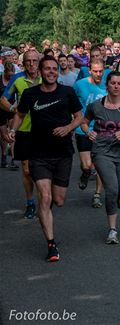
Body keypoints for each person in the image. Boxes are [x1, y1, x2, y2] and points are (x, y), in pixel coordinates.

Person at [7, 55, 83, 262]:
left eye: (54, 69)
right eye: (47, 69)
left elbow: (79, 116)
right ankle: (51, 244)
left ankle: (44, 207)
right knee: (46, 197)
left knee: (58, 201)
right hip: (38, 153)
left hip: (63, 153)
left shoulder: (67, 92)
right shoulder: (30, 94)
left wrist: (68, 128)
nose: (51, 72)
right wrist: (13, 131)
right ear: (40, 72)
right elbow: (20, 115)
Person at [82, 72, 120, 244]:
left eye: (119, 84)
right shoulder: (96, 106)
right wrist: (89, 132)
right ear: (107, 85)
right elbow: (84, 121)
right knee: (111, 188)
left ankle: (119, 199)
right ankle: (112, 230)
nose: (116, 86)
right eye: (113, 83)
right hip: (102, 152)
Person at [0, 50, 42, 219]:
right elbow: (2, 99)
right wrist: (13, 108)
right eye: (28, 61)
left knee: (43, 168)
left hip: (44, 130)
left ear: (39, 62)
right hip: (24, 129)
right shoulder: (17, 79)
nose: (31, 64)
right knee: (26, 170)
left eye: (34, 61)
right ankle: (30, 202)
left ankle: (44, 201)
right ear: (23, 63)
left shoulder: (47, 76)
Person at [73, 58, 107, 208]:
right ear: (90, 70)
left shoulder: (107, 86)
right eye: (96, 71)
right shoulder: (80, 85)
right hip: (83, 128)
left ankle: (97, 195)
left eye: (101, 71)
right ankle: (85, 174)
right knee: (87, 165)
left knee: (100, 164)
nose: (99, 74)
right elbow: (71, 103)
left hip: (102, 130)